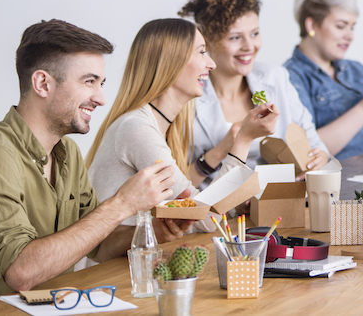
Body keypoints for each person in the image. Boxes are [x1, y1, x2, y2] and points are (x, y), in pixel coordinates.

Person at [0, 20, 187, 302]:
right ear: (42, 83)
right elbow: (21, 272)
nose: (100, 99)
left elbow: (97, 244)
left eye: (100, 84)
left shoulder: (67, 152)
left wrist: (154, 231)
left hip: (65, 306)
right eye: (89, 82)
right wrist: (122, 203)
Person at [85, 18, 274, 233]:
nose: (211, 64)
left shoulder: (160, 127)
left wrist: (234, 205)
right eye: (202, 52)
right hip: (113, 266)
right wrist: (244, 139)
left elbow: (190, 209)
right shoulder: (137, 129)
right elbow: (204, 217)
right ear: (171, 61)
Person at [178, 0, 329, 186]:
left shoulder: (275, 78)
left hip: (275, 206)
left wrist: (319, 159)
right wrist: (224, 148)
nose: (250, 46)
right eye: (234, 37)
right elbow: (176, 185)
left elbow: (316, 146)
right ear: (208, 41)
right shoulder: (186, 95)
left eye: (255, 33)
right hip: (214, 212)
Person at [283, 0, 363, 160]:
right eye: (341, 26)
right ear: (311, 25)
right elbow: (304, 152)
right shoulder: (289, 78)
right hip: (349, 178)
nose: (349, 36)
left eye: (352, 27)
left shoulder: (357, 69)